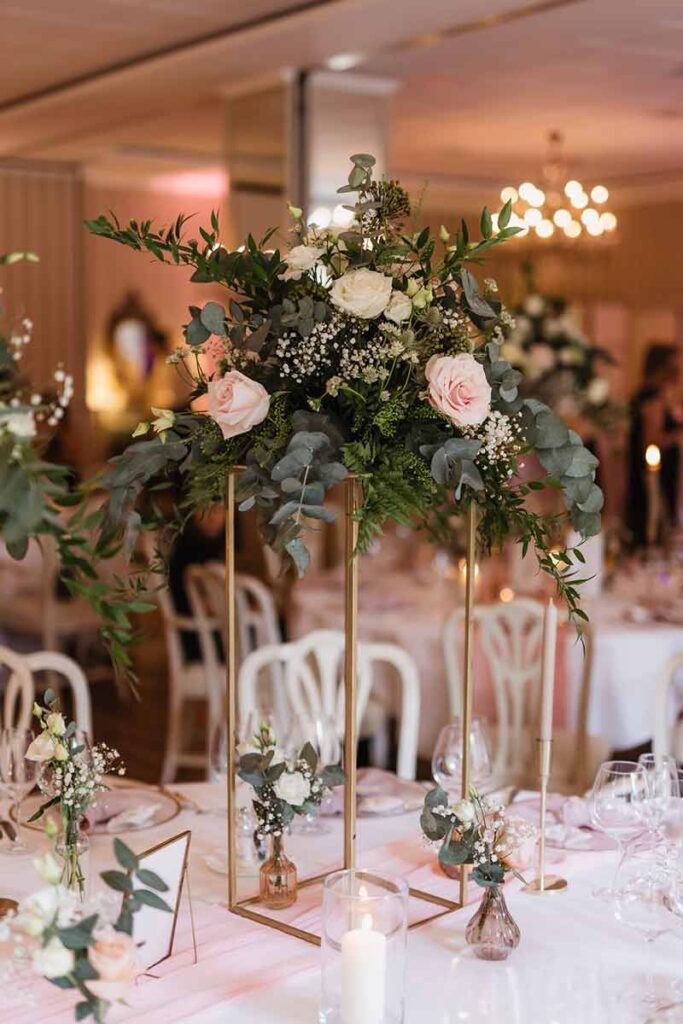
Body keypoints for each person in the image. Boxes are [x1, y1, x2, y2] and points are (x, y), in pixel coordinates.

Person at [626, 343, 682, 548]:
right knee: (653, 521)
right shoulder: (652, 398)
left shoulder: (654, 395)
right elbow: (651, 443)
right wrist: (678, 435)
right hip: (654, 476)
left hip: (658, 473)